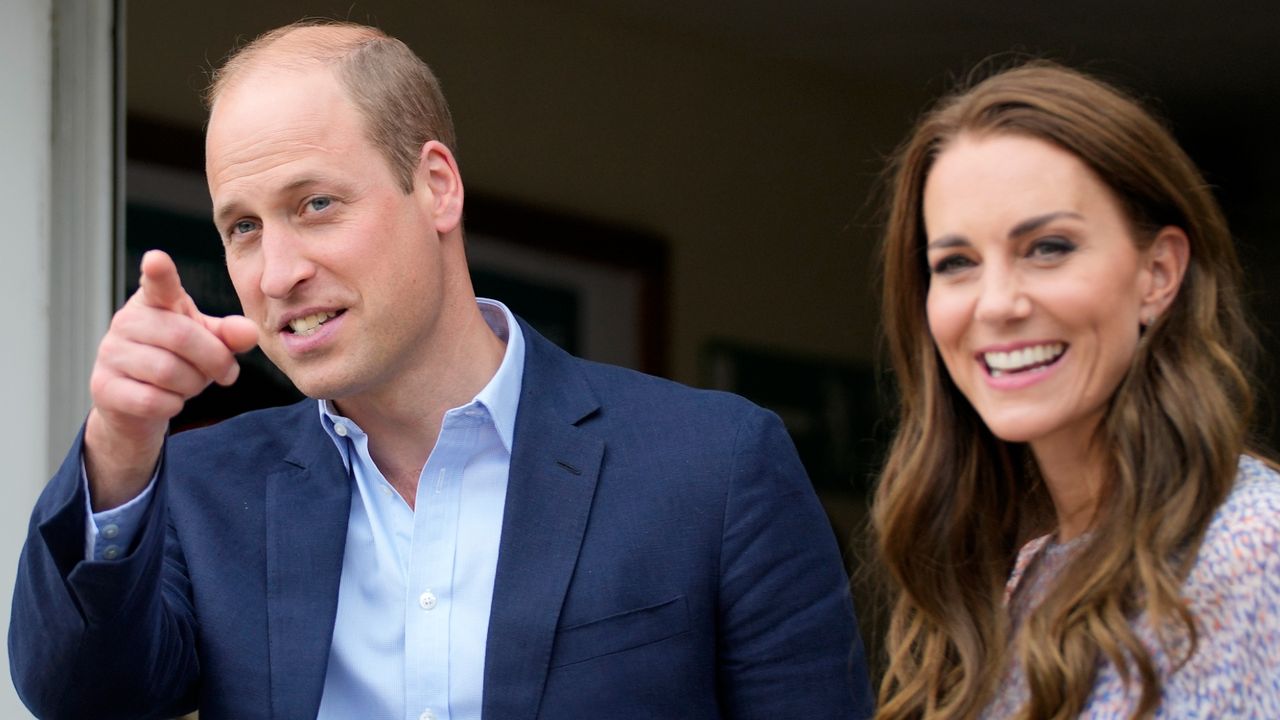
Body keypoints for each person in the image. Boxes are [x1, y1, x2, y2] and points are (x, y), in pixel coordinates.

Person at [9, 20, 873, 720]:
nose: (276, 273)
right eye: (242, 228)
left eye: (315, 205)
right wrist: (120, 444)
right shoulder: (205, 492)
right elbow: (78, 697)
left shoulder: (715, 467)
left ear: (436, 187)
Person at [872, 61, 1280, 719]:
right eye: (956, 263)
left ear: (1158, 272)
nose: (997, 303)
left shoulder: (1254, 545)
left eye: (1049, 247)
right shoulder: (1020, 575)